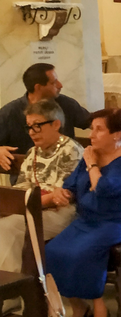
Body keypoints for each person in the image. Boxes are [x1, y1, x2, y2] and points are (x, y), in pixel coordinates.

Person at [46, 109, 121, 317]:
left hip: (119, 220)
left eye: (99, 129)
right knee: (52, 250)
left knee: (85, 252)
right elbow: (72, 185)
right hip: (89, 219)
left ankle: (101, 311)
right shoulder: (91, 154)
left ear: (117, 134)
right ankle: (79, 306)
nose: (92, 135)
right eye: (92, 129)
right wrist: (63, 193)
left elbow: (103, 189)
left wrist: (92, 165)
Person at [0, 101, 82, 279]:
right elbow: (23, 186)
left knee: (7, 228)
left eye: (37, 126)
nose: (31, 132)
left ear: (56, 124)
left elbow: (62, 196)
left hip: (61, 213)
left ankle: (13, 286)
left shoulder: (71, 150)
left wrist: (21, 204)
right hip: (32, 207)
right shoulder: (33, 152)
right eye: (29, 127)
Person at [0, 64, 91, 170]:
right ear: (38, 87)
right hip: (25, 174)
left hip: (66, 172)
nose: (60, 85)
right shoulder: (10, 112)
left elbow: (93, 122)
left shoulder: (66, 104)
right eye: (53, 82)